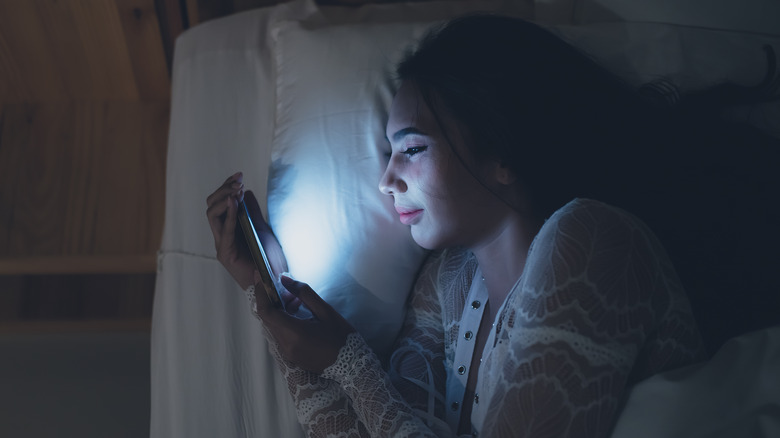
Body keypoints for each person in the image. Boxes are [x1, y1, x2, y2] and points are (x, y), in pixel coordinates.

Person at [207, 14, 779, 437]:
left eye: (411, 148)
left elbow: (366, 392)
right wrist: (271, 290)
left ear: (502, 152)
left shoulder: (596, 240)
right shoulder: (447, 284)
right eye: (386, 153)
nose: (386, 180)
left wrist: (349, 363)